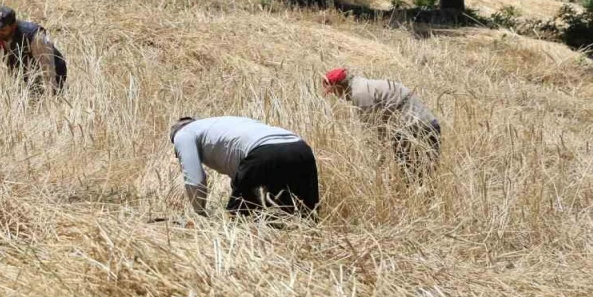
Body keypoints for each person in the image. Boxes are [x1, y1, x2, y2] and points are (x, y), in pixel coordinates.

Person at [170, 116, 319, 217]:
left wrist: (199, 215)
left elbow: (195, 180)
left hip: (264, 152)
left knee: (239, 224)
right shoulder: (221, 124)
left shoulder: (183, 134)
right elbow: (241, 168)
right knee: (303, 218)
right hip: (300, 149)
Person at [322, 68, 441, 175]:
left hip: (417, 130)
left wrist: (376, 166)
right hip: (424, 124)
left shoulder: (360, 94)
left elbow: (372, 134)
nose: (336, 96)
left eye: (333, 92)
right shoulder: (361, 85)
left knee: (415, 176)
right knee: (425, 176)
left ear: (338, 86)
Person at [0, 5, 66, 92]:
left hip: (53, 69)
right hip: (23, 71)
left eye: (3, 30)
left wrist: (51, 94)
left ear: (13, 26)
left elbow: (48, 67)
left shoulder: (35, 37)